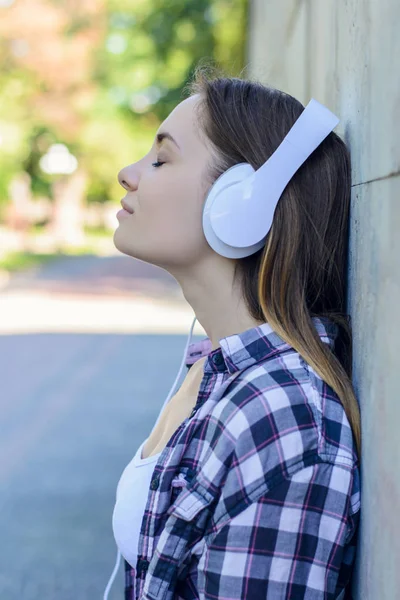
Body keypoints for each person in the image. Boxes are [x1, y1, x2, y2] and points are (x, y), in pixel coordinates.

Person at [107, 66, 361, 600]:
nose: (128, 174)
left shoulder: (281, 417)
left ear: (241, 205)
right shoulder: (216, 368)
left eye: (160, 158)